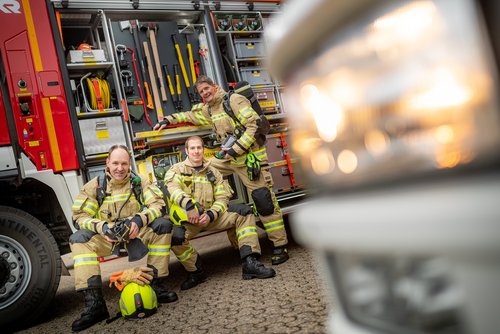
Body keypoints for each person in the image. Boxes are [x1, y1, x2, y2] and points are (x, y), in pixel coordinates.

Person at [154, 75, 289, 265]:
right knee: (201, 170)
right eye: (201, 92)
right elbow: (189, 116)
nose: (205, 93)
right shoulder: (208, 109)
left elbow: (253, 125)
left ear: (215, 87)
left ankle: (280, 246)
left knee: (264, 201)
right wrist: (168, 120)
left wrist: (236, 149)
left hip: (249, 159)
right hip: (227, 159)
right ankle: (213, 214)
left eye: (207, 89)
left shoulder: (233, 100)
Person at [68, 144, 177, 332]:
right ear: (107, 163)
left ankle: (156, 286)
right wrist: (102, 227)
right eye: (116, 163)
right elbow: (79, 217)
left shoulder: (139, 182)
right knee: (79, 239)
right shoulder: (95, 186)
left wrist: (138, 220)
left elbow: (158, 205)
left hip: (136, 233)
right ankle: (95, 305)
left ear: (129, 164)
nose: (120, 168)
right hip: (107, 238)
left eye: (124, 163)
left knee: (163, 226)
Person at [165, 136, 275, 290]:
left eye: (199, 148)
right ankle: (196, 272)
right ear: (187, 151)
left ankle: (250, 262)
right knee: (174, 238)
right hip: (189, 220)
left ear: (203, 149)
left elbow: (222, 198)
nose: (196, 151)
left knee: (244, 212)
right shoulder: (176, 170)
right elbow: (173, 190)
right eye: (192, 148)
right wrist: (190, 206)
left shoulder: (213, 171)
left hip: (213, 216)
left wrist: (211, 215)